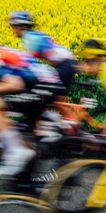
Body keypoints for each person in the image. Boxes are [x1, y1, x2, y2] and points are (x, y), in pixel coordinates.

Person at [0, 46, 62, 176]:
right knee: (21, 132)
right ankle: (27, 183)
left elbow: (15, 84)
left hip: (43, 87)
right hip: (47, 85)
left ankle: (16, 151)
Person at [8, 10, 78, 89]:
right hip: (68, 63)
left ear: (21, 26)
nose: (13, 30)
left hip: (65, 65)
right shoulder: (34, 34)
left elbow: (27, 61)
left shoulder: (30, 38)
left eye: (13, 27)